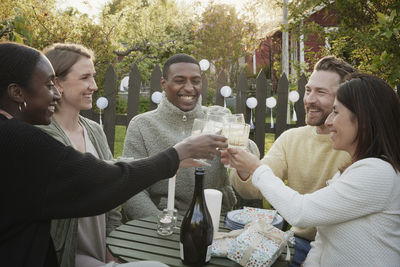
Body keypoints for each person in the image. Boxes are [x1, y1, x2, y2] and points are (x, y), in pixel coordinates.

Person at [0, 42, 227, 267]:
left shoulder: (78, 131)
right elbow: (101, 181)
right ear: (17, 92)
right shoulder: (22, 139)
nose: (55, 94)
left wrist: (111, 243)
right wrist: (176, 155)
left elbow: (111, 174)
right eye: (49, 85)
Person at [223, 73, 400, 266]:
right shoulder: (350, 171)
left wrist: (256, 168)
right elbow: (322, 242)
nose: (329, 121)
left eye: (336, 112)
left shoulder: (378, 173)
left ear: (363, 120)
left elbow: (301, 212)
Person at [227, 56, 356, 266]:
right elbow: (252, 189)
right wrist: (243, 169)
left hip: (342, 249)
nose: (309, 99)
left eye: (321, 92)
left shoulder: (356, 145)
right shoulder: (292, 138)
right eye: (308, 90)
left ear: (344, 99)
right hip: (298, 242)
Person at [121, 54, 256, 220]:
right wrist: (159, 223)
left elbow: (249, 166)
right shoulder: (142, 125)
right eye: (180, 80)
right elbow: (133, 187)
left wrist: (238, 142)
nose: (189, 88)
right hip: (164, 223)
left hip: (215, 219)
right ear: (164, 84)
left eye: (195, 81)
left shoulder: (218, 117)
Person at [38, 43, 120, 267]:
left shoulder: (94, 130)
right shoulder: (42, 136)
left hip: (101, 250)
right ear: (57, 84)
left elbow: (113, 191)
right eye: (85, 78)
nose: (94, 86)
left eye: (93, 77)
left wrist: (111, 247)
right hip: (64, 256)